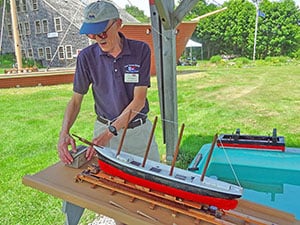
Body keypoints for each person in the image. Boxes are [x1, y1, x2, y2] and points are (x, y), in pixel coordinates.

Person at [57, 1, 160, 225]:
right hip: (104, 130)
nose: (98, 38)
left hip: (137, 131)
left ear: (118, 24)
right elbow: (76, 100)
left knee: (153, 191)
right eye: (92, 34)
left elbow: (139, 101)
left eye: (102, 31)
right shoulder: (86, 57)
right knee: (115, 196)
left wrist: (111, 132)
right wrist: (64, 132)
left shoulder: (141, 50)